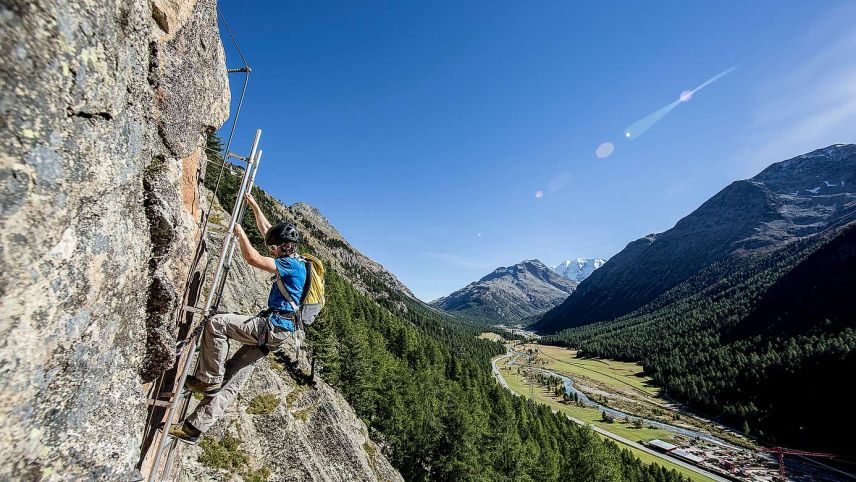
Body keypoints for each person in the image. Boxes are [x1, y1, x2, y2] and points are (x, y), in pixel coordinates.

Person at [168, 194, 307, 443]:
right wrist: (253, 205)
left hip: (271, 327)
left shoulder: (289, 265)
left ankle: (207, 379)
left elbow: (253, 258)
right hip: (278, 332)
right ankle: (193, 428)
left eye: (274, 246)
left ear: (283, 246)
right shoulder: (296, 259)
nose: (271, 248)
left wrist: (239, 233)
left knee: (217, 323)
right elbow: (267, 230)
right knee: (233, 378)